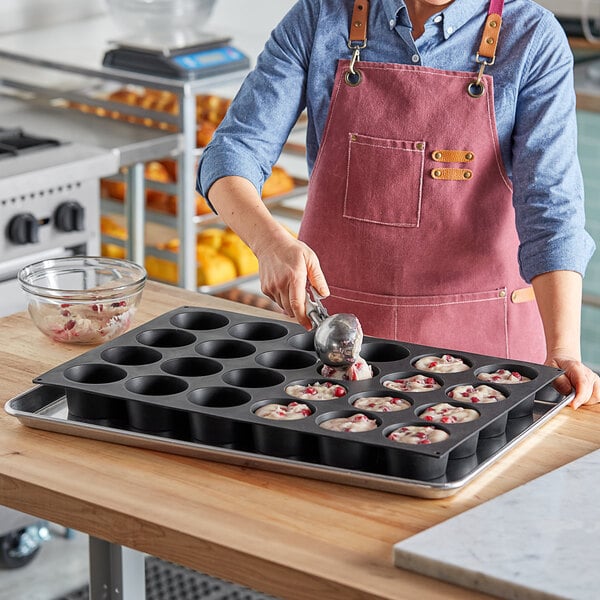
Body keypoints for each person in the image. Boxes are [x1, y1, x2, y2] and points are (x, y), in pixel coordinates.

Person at [197, 0, 600, 408]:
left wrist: (564, 348)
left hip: (489, 360)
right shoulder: (322, 16)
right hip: (340, 349)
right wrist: (269, 244)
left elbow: (551, 208)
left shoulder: (532, 36)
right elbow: (232, 153)